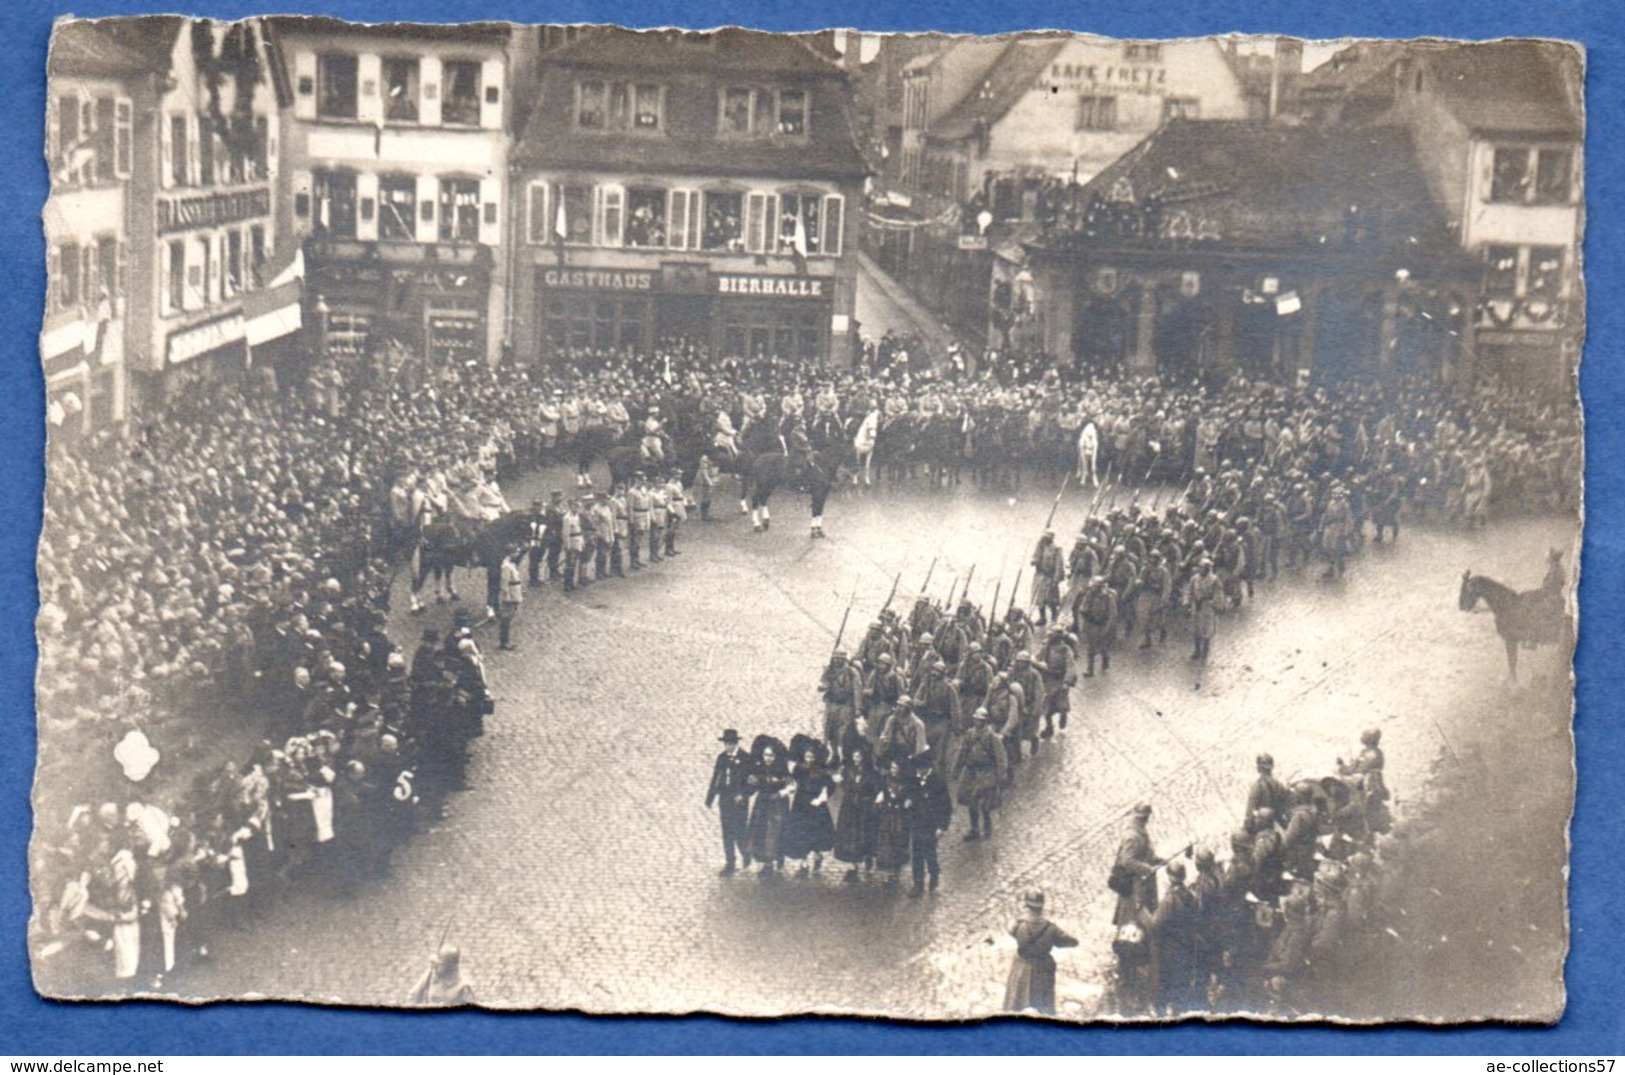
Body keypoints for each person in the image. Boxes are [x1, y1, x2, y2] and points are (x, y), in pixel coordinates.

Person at [1004, 889, 1078, 1015]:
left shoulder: (1018, 925)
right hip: (1043, 968)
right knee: (1043, 1004)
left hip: (1021, 966)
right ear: (1042, 906)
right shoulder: (1051, 928)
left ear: (1026, 906)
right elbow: (1072, 942)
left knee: (1016, 1000)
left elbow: (1009, 928)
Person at [953, 708, 1007, 840]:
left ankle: (987, 828)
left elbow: (1001, 758)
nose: (977, 722)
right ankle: (974, 829)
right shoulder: (969, 734)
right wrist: (956, 769)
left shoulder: (992, 737)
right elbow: (962, 752)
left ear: (985, 721)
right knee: (971, 801)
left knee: (985, 804)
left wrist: (999, 777)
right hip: (971, 771)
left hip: (987, 772)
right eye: (976, 719)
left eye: (980, 720)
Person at [903, 750, 952, 897]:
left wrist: (942, 826)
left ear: (927, 768)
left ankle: (934, 875)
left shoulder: (938, 782)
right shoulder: (914, 780)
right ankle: (918, 884)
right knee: (917, 854)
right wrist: (908, 800)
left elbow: (946, 807)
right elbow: (908, 793)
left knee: (930, 853)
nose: (919, 772)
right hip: (917, 822)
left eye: (921, 769)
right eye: (917, 769)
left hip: (932, 825)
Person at [705, 729, 752, 876]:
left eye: (731, 744)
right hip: (725, 799)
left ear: (736, 743)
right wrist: (710, 797)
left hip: (739, 802)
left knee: (740, 831)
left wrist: (743, 795)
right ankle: (730, 863)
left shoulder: (745, 758)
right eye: (726, 744)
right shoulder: (721, 758)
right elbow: (716, 777)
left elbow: (751, 783)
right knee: (727, 832)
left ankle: (746, 852)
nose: (728, 747)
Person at [1111, 802, 1160, 926]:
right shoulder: (1133, 836)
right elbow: (1127, 860)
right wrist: (1147, 869)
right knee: (1133, 915)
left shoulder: (1139, 830)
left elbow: (1142, 853)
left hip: (1140, 881)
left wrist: (1155, 859)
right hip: (1134, 885)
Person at [408, 943, 475, 1006]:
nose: (435, 966)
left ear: (449, 967)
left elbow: (469, 1014)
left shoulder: (464, 988)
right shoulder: (431, 974)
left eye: (440, 964)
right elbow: (413, 996)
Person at [496, 548, 523, 652]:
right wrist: (505, 597)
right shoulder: (506, 566)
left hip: (514, 593)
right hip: (510, 595)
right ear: (510, 553)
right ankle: (504, 641)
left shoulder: (510, 564)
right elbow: (504, 583)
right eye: (516, 552)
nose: (517, 554)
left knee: (510, 616)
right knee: (506, 618)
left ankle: (506, 641)